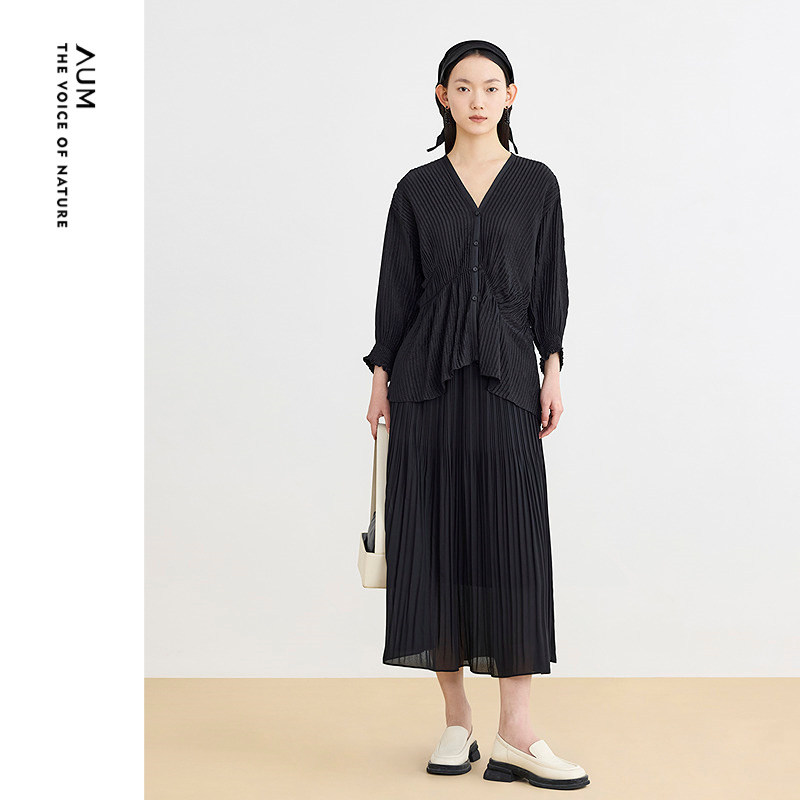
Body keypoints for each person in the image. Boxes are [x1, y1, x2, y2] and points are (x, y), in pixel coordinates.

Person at [363, 40, 589, 790]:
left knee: (512, 542)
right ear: (443, 97)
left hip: (507, 380)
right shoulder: (417, 188)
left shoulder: (536, 184)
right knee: (434, 541)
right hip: (425, 383)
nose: (478, 99)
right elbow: (397, 288)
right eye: (463, 87)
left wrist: (552, 365)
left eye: (491, 87)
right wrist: (380, 375)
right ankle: (457, 720)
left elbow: (551, 282)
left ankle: (516, 731)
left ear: (511, 95)